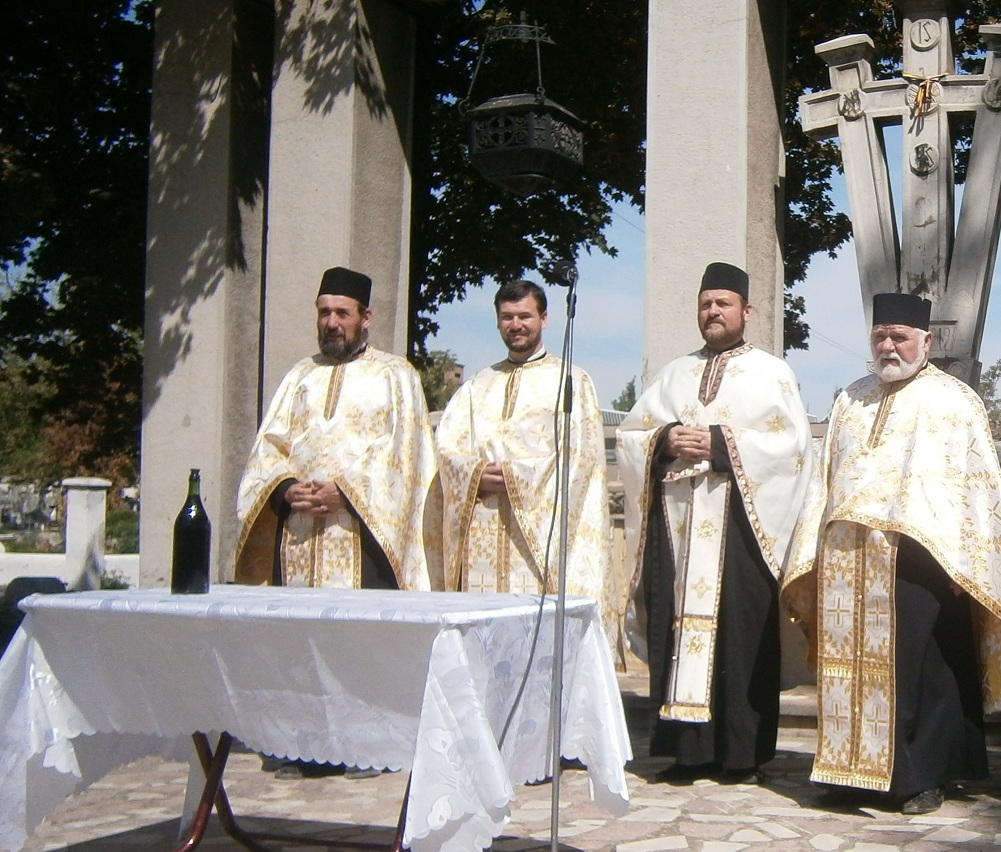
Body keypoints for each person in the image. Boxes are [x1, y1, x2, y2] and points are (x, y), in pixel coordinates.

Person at [780, 292, 1001, 815]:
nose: (888, 345)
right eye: (880, 335)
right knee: (851, 668)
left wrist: (968, 560)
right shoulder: (849, 398)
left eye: (899, 336)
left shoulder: (954, 400)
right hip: (849, 559)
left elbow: (976, 489)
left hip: (925, 558)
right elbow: (824, 480)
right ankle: (851, 772)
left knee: (925, 671)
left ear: (926, 341)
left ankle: (924, 776)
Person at [617, 261, 813, 786]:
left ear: (746, 311)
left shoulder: (772, 372)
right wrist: (663, 442)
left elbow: (793, 449)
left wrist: (723, 444)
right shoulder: (674, 372)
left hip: (740, 531)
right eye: (706, 304)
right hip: (679, 528)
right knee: (677, 630)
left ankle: (741, 755)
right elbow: (631, 436)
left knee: (740, 636)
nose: (713, 312)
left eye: (723, 304)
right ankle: (686, 752)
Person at [435, 279, 622, 661]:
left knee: (536, 655)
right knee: (480, 655)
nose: (516, 325)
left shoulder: (570, 380)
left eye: (524, 316)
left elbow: (579, 459)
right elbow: (447, 449)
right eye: (507, 317)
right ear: (497, 322)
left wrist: (518, 477)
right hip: (481, 538)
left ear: (544, 318)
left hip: (537, 545)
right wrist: (473, 474)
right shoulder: (476, 387)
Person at [234, 266, 440, 594]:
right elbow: (269, 447)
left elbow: (404, 456)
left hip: (366, 541)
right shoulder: (299, 375)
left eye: (343, 313)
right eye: (324, 313)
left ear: (366, 317)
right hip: (297, 535)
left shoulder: (396, 375)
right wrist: (286, 489)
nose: (332, 323)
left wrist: (343, 491)